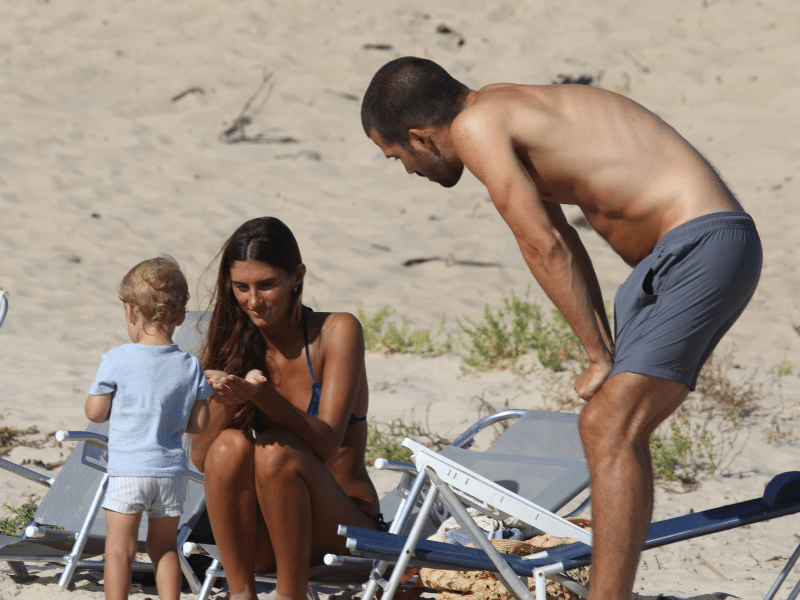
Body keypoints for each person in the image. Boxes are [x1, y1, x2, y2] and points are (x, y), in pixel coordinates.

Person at [361, 57, 762, 599]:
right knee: (613, 429)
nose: (408, 170)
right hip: (678, 256)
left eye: (395, 158)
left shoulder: (476, 126)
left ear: (420, 138)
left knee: (608, 425)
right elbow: (561, 238)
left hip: (700, 244)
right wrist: (599, 343)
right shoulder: (505, 107)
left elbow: (541, 244)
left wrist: (598, 355)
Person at [190, 216, 385, 600]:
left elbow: (327, 444)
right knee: (228, 445)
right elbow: (201, 458)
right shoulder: (233, 340)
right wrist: (232, 397)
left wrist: (261, 397)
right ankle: (240, 593)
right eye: (241, 287)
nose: (253, 301)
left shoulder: (337, 331)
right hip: (270, 537)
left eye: (266, 285)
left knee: (277, 449)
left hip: (345, 530)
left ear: (297, 276)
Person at [85, 256, 212, 600]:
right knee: (165, 548)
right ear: (181, 317)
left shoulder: (117, 358)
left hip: (129, 471)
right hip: (170, 473)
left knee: (119, 549)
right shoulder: (190, 365)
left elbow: (95, 414)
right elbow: (200, 424)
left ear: (130, 312)